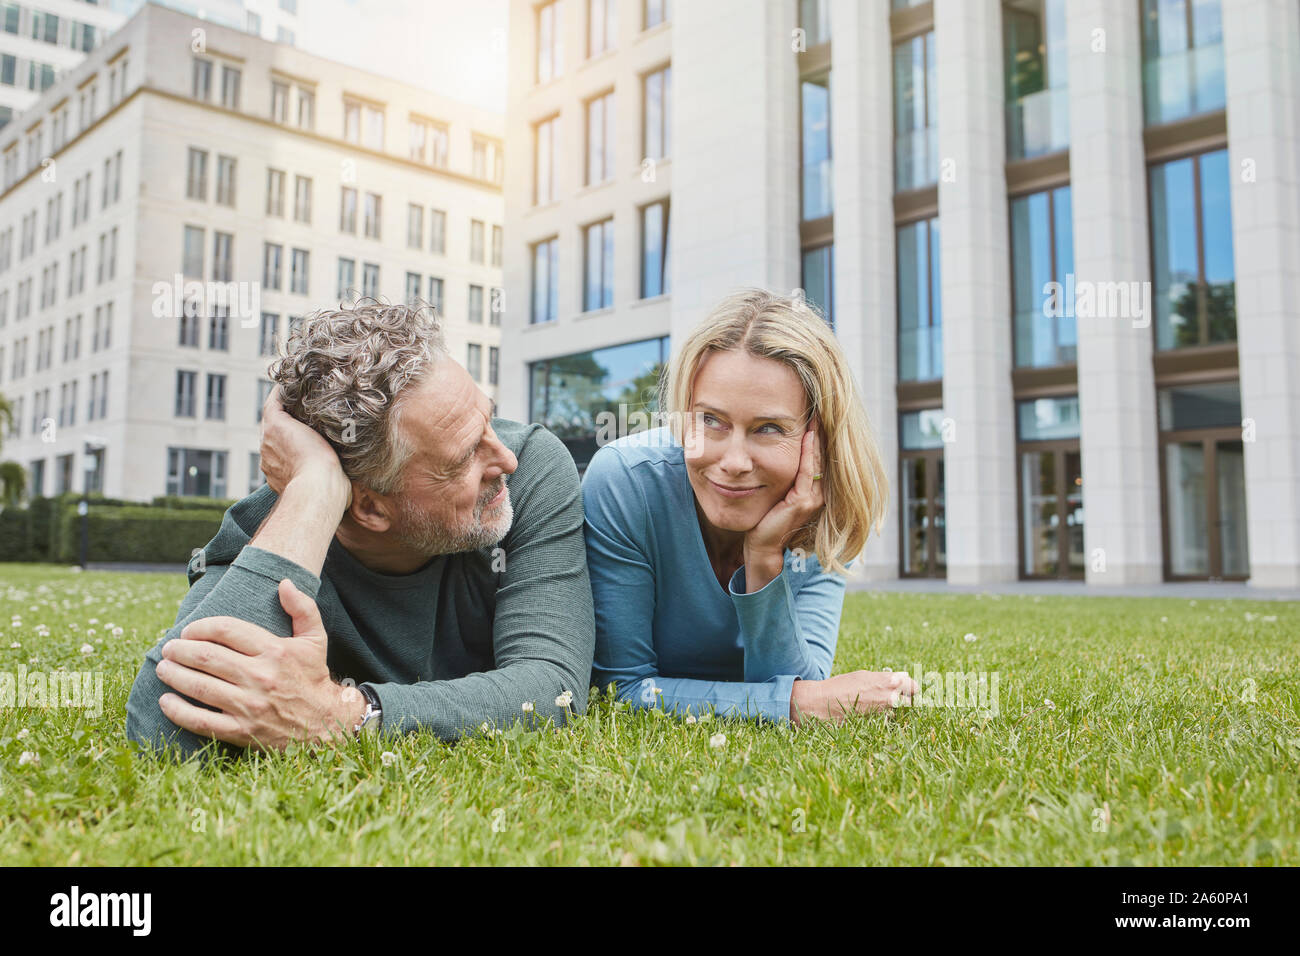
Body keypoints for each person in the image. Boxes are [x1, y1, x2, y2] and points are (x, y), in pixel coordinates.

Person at [125, 300, 594, 759]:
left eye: (488, 419)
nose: (503, 460)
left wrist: (348, 714)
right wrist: (314, 491)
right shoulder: (270, 529)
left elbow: (552, 684)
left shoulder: (530, 468)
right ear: (368, 506)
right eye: (463, 458)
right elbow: (164, 733)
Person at [583, 288, 918, 726]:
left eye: (768, 428)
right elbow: (622, 690)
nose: (734, 463)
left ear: (817, 439)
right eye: (711, 420)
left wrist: (763, 560)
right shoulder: (625, 483)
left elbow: (795, 678)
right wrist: (792, 707)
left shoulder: (824, 512)